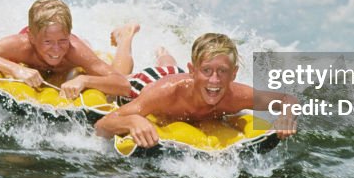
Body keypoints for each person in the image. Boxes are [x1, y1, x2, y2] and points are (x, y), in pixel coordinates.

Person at [94, 32, 298, 148]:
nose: (215, 80)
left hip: (183, 77)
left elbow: (288, 99)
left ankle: (164, 53)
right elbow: (102, 126)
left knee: (169, 65)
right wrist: (132, 120)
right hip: (150, 81)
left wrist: (287, 116)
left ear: (234, 74)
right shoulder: (165, 94)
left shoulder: (235, 96)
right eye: (207, 70)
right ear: (193, 70)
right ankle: (125, 37)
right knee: (133, 76)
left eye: (223, 71)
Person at [0, 0, 137, 99]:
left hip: (69, 67)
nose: (56, 49)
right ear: (32, 38)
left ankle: (125, 37)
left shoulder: (73, 50)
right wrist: (16, 69)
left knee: (115, 81)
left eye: (62, 40)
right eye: (48, 42)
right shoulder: (21, 45)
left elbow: (122, 84)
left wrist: (85, 80)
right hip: (31, 64)